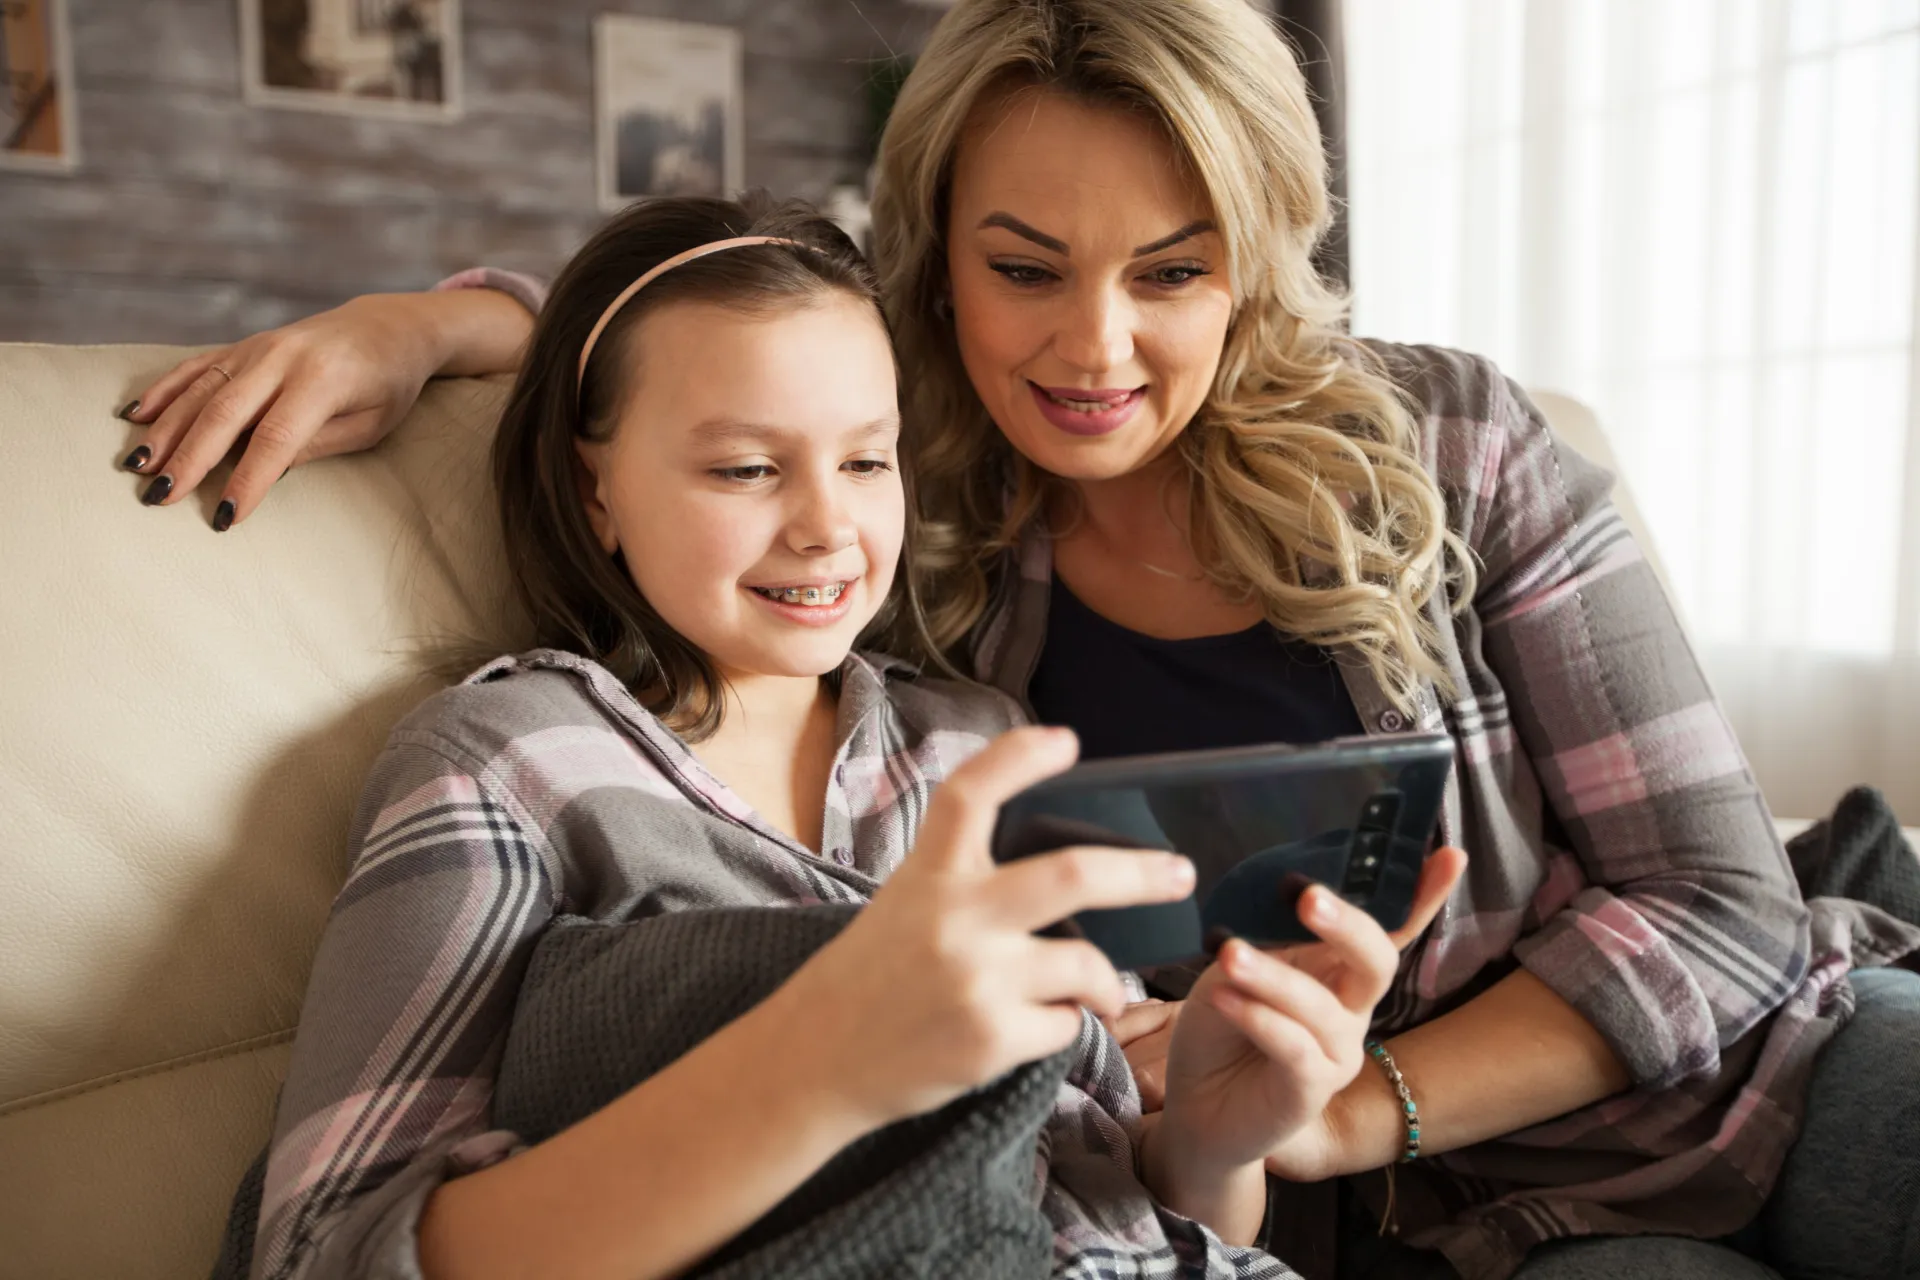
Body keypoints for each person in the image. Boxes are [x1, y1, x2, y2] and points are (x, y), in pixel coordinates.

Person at [124, 2, 1920, 1277]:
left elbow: (1721, 907)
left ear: (1257, 258)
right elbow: (705, 366)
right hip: (1441, 1230)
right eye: (1024, 267)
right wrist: (426, 328)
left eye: (1173, 270)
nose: (1094, 349)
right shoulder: (920, 530)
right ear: (934, 265)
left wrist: (1331, 1115)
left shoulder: (1443, 449)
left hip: (1732, 1063)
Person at [225, 190, 1459, 1280]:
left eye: (868, 461)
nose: (828, 527)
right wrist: (828, 1061)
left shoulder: (980, 741)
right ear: (596, 488)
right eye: (747, 469)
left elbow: (1152, 1201)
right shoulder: (510, 762)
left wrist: (1211, 1138)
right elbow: (322, 1251)